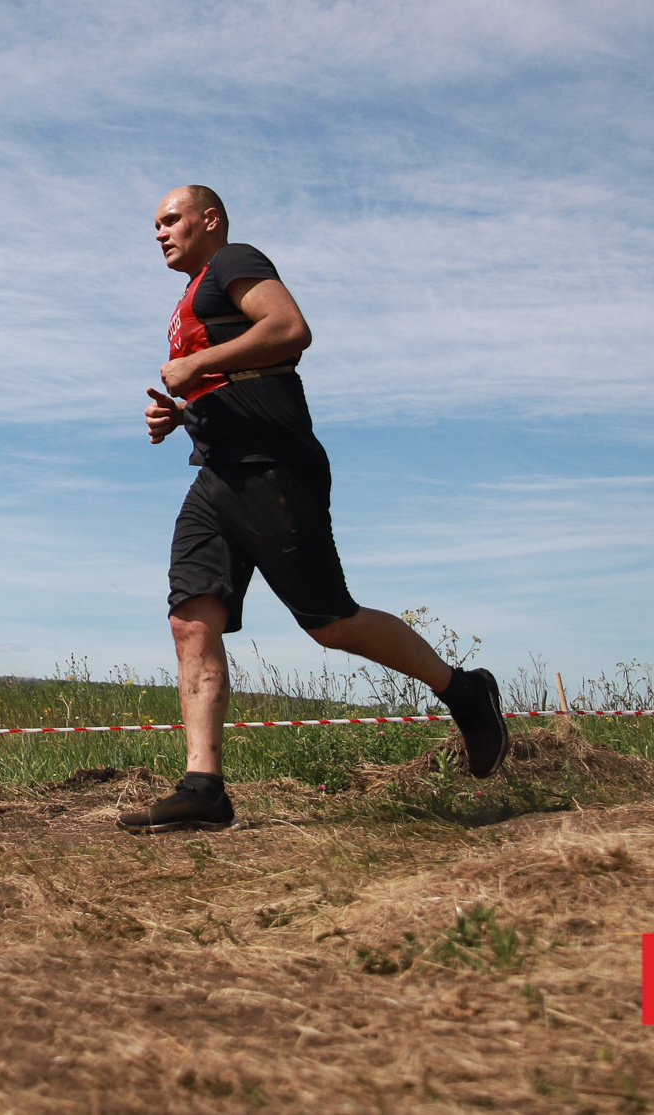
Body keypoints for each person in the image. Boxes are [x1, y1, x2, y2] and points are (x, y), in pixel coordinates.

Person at [119, 185, 509, 834]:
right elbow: (232, 382)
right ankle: (203, 784)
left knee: (329, 621)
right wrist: (179, 411)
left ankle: (463, 689)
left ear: (208, 220)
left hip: (274, 466)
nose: (159, 232)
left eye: (171, 220)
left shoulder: (234, 261)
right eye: (154, 224)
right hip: (217, 473)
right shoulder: (190, 301)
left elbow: (290, 330)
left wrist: (199, 365)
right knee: (191, 618)